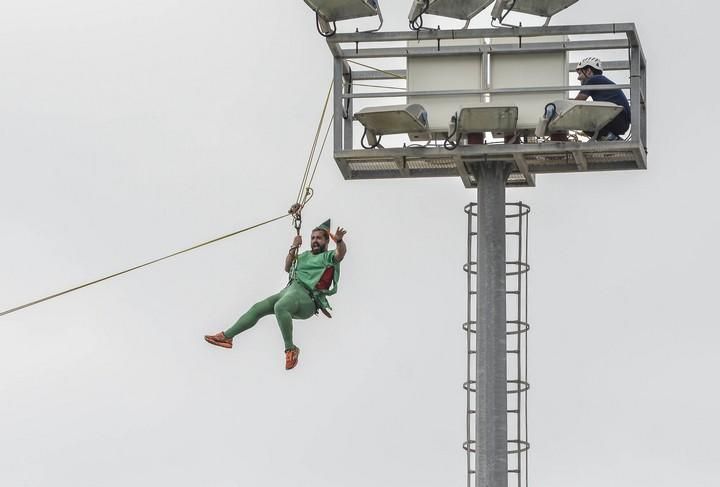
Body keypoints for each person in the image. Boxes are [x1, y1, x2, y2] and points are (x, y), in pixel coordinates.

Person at [204, 220, 347, 370]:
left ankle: (290, 349)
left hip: (306, 298)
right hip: (289, 290)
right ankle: (227, 337)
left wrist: (339, 241)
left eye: (319, 238)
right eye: (313, 238)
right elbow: (287, 267)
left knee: (281, 307)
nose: (315, 241)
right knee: (257, 308)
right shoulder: (304, 255)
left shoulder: (327, 256)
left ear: (326, 241)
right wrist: (293, 247)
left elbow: (340, 253)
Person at [574, 56, 631, 140]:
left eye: (580, 73)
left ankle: (610, 138)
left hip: (616, 118)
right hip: (620, 120)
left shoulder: (593, 80)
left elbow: (577, 102)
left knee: (584, 122)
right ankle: (612, 137)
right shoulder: (601, 81)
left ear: (588, 71)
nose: (578, 78)